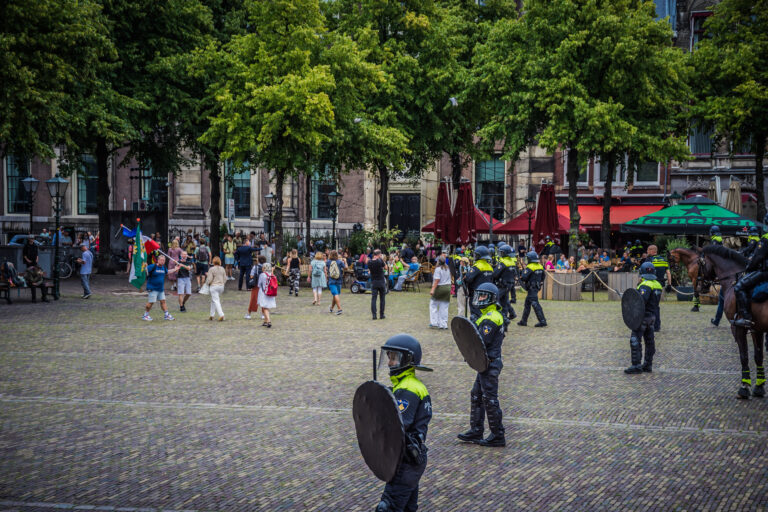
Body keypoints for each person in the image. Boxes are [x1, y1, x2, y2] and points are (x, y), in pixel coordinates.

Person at [375, 334, 432, 512]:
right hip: (410, 460)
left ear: (407, 359)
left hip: (407, 461)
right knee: (407, 508)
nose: (390, 362)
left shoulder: (408, 389)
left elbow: (399, 425)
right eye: (389, 357)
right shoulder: (406, 385)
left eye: (394, 358)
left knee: (388, 508)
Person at [456, 282, 506, 447]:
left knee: (489, 399)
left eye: (483, 296)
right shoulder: (486, 315)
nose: (480, 299)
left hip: (490, 364)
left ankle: (497, 434)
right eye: (480, 295)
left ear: (492, 299)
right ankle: (476, 430)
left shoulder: (491, 318)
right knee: (476, 395)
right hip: (484, 364)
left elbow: (481, 343)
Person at [625, 262, 662, 374]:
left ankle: (636, 365)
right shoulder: (657, 284)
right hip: (652, 317)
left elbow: (640, 302)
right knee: (649, 341)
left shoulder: (645, 285)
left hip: (642, 317)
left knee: (635, 339)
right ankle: (648, 364)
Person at [733, 213, 768, 327]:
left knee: (739, 287)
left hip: (765, 272)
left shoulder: (765, 239)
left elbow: (758, 257)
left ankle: (746, 318)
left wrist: (748, 268)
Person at [645, 244, 671, 332]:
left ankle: (649, 324)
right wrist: (669, 285)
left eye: (648, 250)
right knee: (656, 305)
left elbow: (644, 273)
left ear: (652, 251)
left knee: (649, 305)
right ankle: (657, 325)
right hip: (660, 286)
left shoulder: (649, 260)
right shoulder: (663, 260)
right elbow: (668, 273)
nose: (647, 252)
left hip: (650, 285)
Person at [464, 246, 494, 320]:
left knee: (475, 313)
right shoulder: (489, 267)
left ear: (478, 256)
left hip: (476, 294)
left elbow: (468, 278)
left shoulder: (477, 266)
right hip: (487, 293)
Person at [518, 251, 547, 327]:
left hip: (531, 288)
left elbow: (524, 277)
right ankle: (523, 321)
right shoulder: (540, 266)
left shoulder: (530, 267)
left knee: (535, 303)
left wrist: (522, 272)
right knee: (527, 303)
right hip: (536, 287)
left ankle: (542, 320)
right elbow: (543, 276)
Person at [143, 254, 175, 321]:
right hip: (152, 288)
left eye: (164, 260)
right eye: (161, 260)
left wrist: (175, 269)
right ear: (158, 260)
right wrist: (145, 267)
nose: (162, 261)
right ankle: (145, 315)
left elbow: (167, 272)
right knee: (151, 302)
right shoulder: (152, 266)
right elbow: (145, 271)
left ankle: (166, 315)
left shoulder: (163, 267)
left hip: (160, 289)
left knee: (163, 301)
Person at [493, 244, 517, 322]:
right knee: (505, 301)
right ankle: (505, 319)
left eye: (501, 253)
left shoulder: (503, 262)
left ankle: (504, 319)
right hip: (509, 285)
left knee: (495, 300)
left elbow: (495, 274)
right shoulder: (512, 262)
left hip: (502, 285)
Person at [428, 254, 451, 329]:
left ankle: (434, 322)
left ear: (438, 261)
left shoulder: (438, 269)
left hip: (440, 288)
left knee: (433, 305)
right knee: (444, 307)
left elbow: (437, 280)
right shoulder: (447, 268)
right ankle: (443, 324)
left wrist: (432, 290)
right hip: (447, 288)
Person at [204, 256, 228, 321]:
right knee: (213, 300)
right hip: (221, 286)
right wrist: (222, 283)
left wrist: (207, 283)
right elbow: (225, 278)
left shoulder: (211, 269)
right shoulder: (222, 268)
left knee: (216, 301)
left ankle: (221, 315)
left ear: (213, 261)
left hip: (214, 286)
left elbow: (209, 279)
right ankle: (212, 315)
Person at [369, 249, 387, 320]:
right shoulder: (380, 261)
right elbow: (385, 267)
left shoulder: (369, 262)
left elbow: (370, 270)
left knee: (374, 299)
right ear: (379, 254)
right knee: (382, 299)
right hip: (381, 282)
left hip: (374, 282)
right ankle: (381, 315)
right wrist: (383, 260)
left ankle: (374, 315)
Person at [257, 263, 277, 327]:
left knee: (265, 307)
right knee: (266, 306)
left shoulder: (262, 275)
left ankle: (268, 321)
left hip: (263, 292)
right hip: (271, 292)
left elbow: (259, 284)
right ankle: (265, 321)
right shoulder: (272, 274)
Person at [327, 250, 346, 315]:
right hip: (339, 280)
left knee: (335, 294)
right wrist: (345, 261)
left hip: (332, 280)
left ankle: (339, 309)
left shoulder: (328, 262)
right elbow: (345, 268)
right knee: (336, 294)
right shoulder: (340, 262)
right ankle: (331, 308)